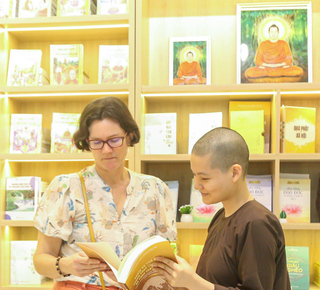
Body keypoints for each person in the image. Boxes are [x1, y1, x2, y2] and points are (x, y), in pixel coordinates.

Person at [33, 96, 177, 289]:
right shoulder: (65, 187)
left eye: (114, 140)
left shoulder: (155, 189)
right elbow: (41, 260)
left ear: (130, 136)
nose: (107, 150)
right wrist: (67, 265)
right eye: (97, 142)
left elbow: (168, 259)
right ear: (87, 142)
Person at [152, 127, 291, 290]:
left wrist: (193, 282)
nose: (196, 185)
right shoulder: (220, 216)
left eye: (204, 178)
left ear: (234, 173)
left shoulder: (257, 223)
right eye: (194, 175)